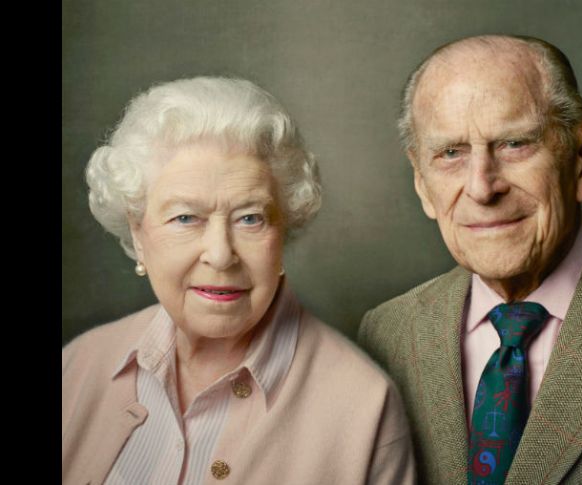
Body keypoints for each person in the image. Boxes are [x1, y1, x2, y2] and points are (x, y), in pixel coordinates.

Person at [358, 35, 582, 485]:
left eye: (515, 144)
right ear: (422, 183)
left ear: (580, 158)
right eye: (450, 153)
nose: (483, 188)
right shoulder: (384, 336)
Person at [62, 76, 416, 485]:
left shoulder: (365, 408)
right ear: (139, 235)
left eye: (250, 218)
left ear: (283, 231)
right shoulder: (78, 366)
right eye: (185, 218)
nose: (220, 253)